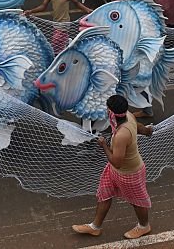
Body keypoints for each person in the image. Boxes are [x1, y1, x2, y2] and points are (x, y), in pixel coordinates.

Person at [73, 95, 154, 240]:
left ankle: (144, 226)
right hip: (113, 171)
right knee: (104, 194)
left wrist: (104, 145)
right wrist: (148, 131)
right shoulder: (129, 116)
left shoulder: (121, 135)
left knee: (137, 202)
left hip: (130, 173)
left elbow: (117, 162)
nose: (106, 110)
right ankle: (95, 227)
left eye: (107, 108)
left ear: (111, 112)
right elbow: (140, 128)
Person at [25, 0, 91, 52]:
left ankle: (57, 56)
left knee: (55, 44)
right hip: (55, 23)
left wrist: (87, 10)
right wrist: (30, 11)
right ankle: (67, 43)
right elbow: (43, 6)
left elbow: (77, 4)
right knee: (59, 45)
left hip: (64, 24)